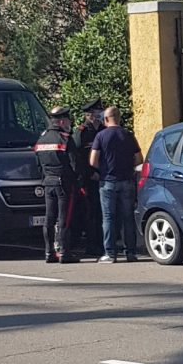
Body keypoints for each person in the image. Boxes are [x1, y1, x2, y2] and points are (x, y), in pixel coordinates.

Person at [89, 106, 142, 263]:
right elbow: (139, 158)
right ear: (119, 118)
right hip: (127, 181)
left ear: (106, 119)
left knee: (108, 217)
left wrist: (103, 169)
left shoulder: (101, 136)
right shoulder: (128, 135)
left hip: (107, 182)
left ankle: (110, 254)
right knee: (128, 217)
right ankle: (131, 252)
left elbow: (93, 160)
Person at [34, 106, 80, 264]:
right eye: (67, 120)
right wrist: (77, 181)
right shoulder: (65, 138)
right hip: (64, 184)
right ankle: (65, 253)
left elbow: (38, 165)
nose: (69, 123)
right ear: (61, 121)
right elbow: (75, 165)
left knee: (49, 218)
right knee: (64, 219)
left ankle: (49, 252)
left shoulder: (41, 139)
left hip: (48, 183)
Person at [70, 99, 106, 257]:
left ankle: (102, 243)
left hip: (104, 176)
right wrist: (89, 174)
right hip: (88, 179)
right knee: (91, 212)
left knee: (102, 212)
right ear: (89, 115)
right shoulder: (81, 133)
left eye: (100, 111)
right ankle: (91, 245)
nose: (99, 114)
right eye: (97, 112)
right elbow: (76, 158)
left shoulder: (104, 130)